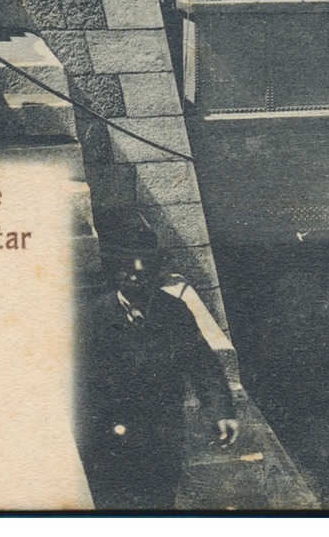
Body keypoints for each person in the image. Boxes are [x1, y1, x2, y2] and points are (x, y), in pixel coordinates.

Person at [75, 216, 239, 511]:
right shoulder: (92, 319)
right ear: (117, 274)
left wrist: (220, 410)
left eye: (146, 273)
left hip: (162, 438)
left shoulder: (174, 312)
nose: (138, 280)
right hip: (110, 444)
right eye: (130, 274)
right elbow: (79, 388)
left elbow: (202, 364)